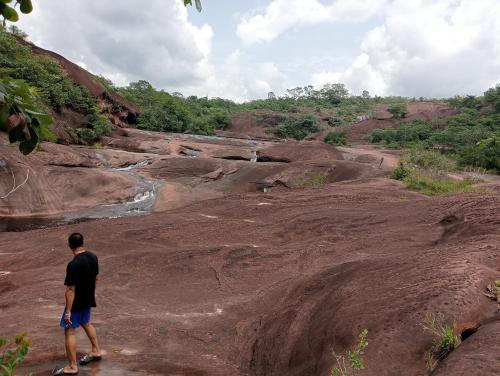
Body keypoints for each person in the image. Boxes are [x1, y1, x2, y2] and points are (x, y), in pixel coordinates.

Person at [52, 233, 102, 375]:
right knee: (86, 322)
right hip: (88, 298)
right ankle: (96, 351)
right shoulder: (93, 256)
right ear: (82, 243)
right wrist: (90, 293)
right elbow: (96, 278)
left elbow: (70, 290)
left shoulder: (73, 264)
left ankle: (72, 367)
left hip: (76, 303)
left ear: (69, 245)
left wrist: (68, 311)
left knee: (69, 330)